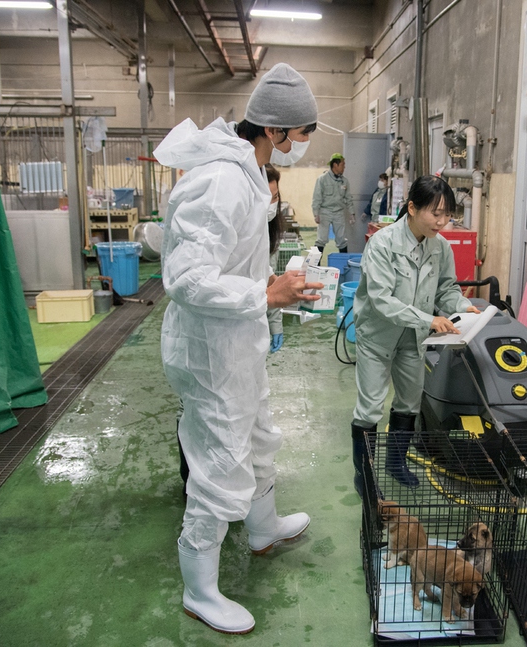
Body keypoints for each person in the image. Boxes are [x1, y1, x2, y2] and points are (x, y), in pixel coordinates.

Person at [154, 63, 323, 636]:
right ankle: (199, 589)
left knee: (257, 437)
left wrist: (274, 291)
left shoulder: (251, 173)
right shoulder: (222, 180)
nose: (301, 147)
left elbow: (239, 259)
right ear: (275, 131)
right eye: (302, 136)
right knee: (219, 464)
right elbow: (185, 278)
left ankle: (263, 527)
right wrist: (264, 293)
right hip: (208, 351)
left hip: (238, 340)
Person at [350, 175, 479, 498]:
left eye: (447, 214)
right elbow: (381, 300)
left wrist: (464, 306)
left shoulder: (441, 247)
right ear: (411, 208)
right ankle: (364, 476)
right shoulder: (382, 244)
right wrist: (430, 319)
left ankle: (396, 464)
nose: (442, 221)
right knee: (370, 409)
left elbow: (446, 289)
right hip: (378, 336)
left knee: (408, 402)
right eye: (435, 213)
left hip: (414, 337)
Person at [312, 153, 354, 254]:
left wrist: (352, 214)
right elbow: (316, 197)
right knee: (321, 239)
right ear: (335, 165)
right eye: (343, 164)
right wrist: (316, 214)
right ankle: (316, 265)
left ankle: (344, 263)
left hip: (338, 212)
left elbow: (348, 198)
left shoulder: (344, 181)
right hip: (324, 212)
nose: (344, 167)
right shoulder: (322, 179)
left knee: (342, 240)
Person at [265, 163, 285, 353]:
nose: (272, 205)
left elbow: (269, 285)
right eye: (267, 198)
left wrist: (276, 325)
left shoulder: (267, 231)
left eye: (276, 197)